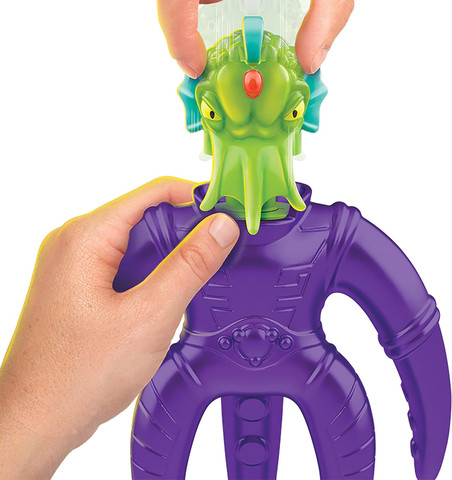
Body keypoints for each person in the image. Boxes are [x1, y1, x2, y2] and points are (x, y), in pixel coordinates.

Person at [0, 1, 353, 479]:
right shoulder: (332, 235)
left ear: (305, 107)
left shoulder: (325, 236)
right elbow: (415, 327)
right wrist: (31, 410)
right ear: (199, 108)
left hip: (198, 375)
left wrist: (26, 418)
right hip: (232, 371)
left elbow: (415, 328)